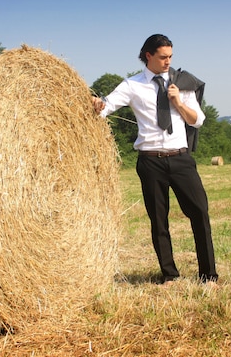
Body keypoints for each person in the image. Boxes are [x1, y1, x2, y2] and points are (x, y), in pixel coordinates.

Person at [92, 34, 218, 284]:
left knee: (200, 213)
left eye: (170, 56)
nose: (168, 62)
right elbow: (106, 108)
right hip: (150, 162)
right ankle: (169, 275)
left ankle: (208, 275)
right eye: (163, 57)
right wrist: (97, 104)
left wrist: (178, 102)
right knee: (159, 220)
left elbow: (197, 120)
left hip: (181, 158)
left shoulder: (182, 82)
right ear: (148, 55)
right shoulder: (131, 85)